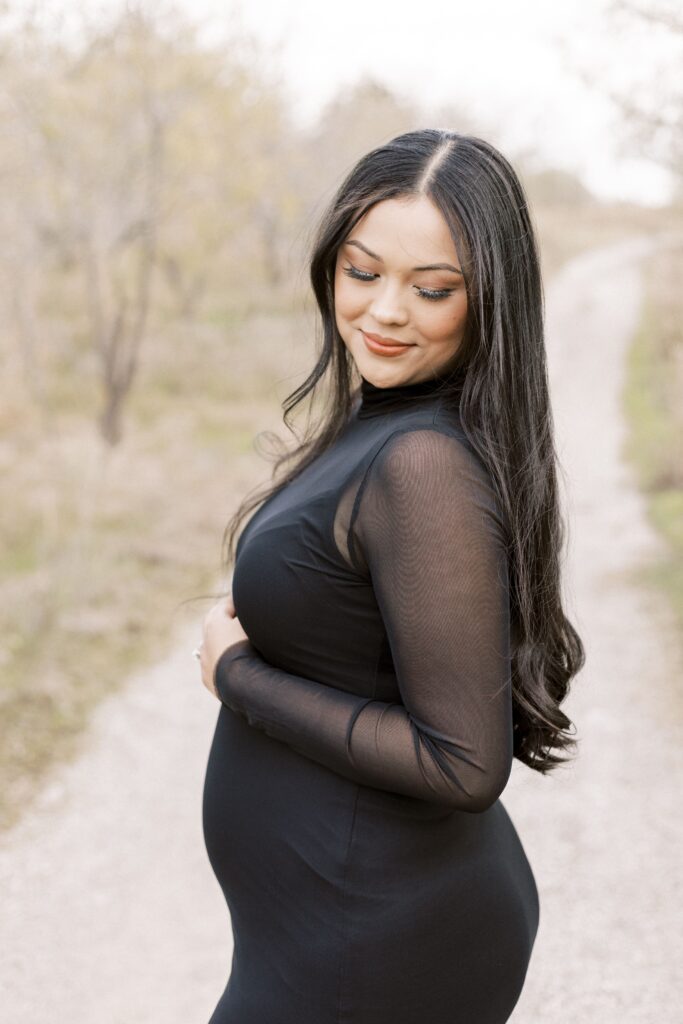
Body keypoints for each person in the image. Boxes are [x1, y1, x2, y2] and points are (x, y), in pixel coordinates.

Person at [196, 128, 585, 1024]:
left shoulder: (421, 466)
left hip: (369, 946)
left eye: (432, 288)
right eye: (363, 271)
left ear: (488, 301)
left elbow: (463, 763)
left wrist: (237, 676)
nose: (384, 311)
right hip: (334, 928)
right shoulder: (386, 420)